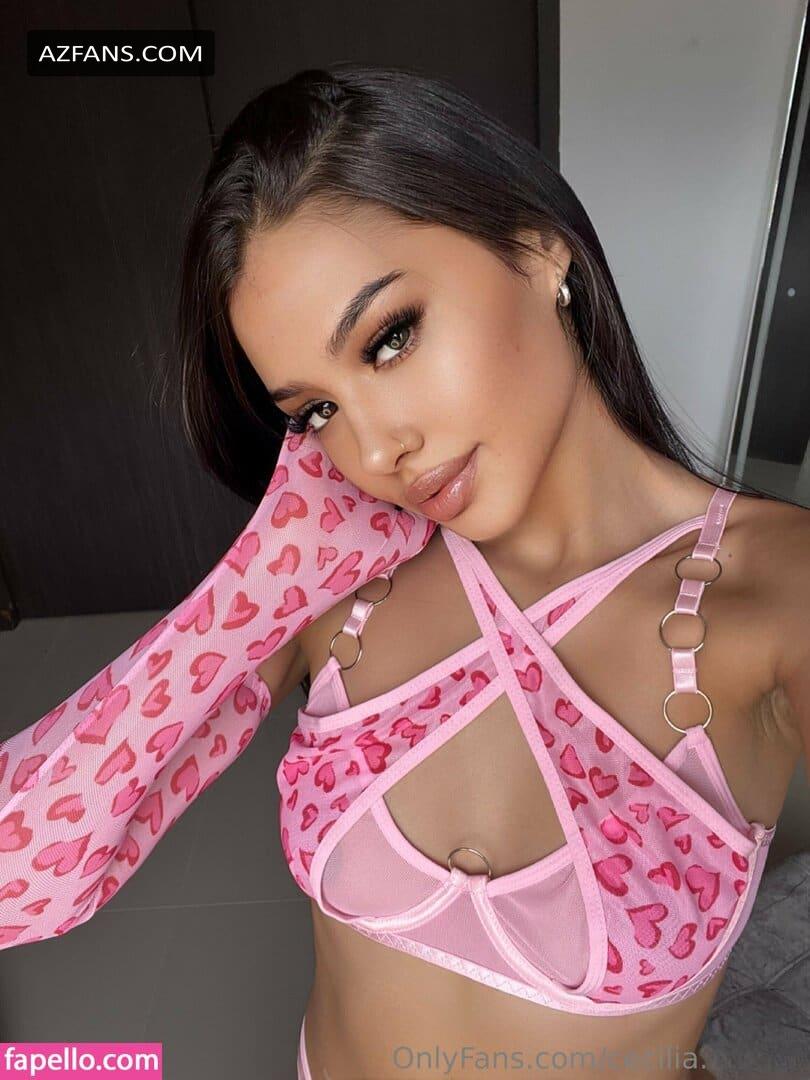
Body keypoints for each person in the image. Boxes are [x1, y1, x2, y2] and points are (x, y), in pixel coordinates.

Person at [2, 63, 808, 1080]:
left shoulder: (776, 592)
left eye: (389, 339)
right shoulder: (339, 583)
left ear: (537, 250)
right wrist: (253, 581)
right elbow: (19, 874)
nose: (377, 448)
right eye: (317, 411)